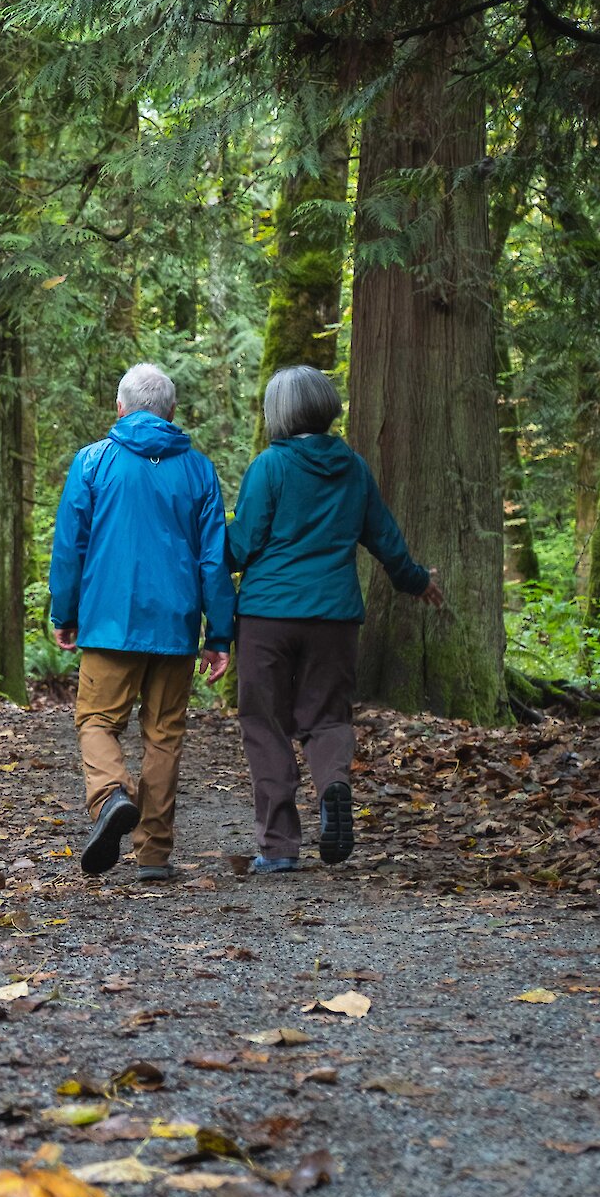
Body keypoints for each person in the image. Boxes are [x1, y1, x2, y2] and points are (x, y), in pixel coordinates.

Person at [225, 365, 444, 875]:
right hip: (335, 618)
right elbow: (386, 541)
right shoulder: (354, 468)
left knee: (266, 723)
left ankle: (278, 847)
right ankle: (334, 790)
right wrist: (417, 581)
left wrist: (197, 553)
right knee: (327, 718)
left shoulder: (270, 467)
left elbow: (241, 546)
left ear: (277, 412)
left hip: (268, 615)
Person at [47, 363, 234, 881]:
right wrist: (218, 634)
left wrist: (64, 612)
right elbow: (213, 560)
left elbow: (70, 548)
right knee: (164, 735)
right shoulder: (198, 469)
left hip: (109, 622)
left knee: (97, 720)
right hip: (175, 627)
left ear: (120, 407)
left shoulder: (93, 462)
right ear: (171, 413)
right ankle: (153, 853)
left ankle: (109, 796)